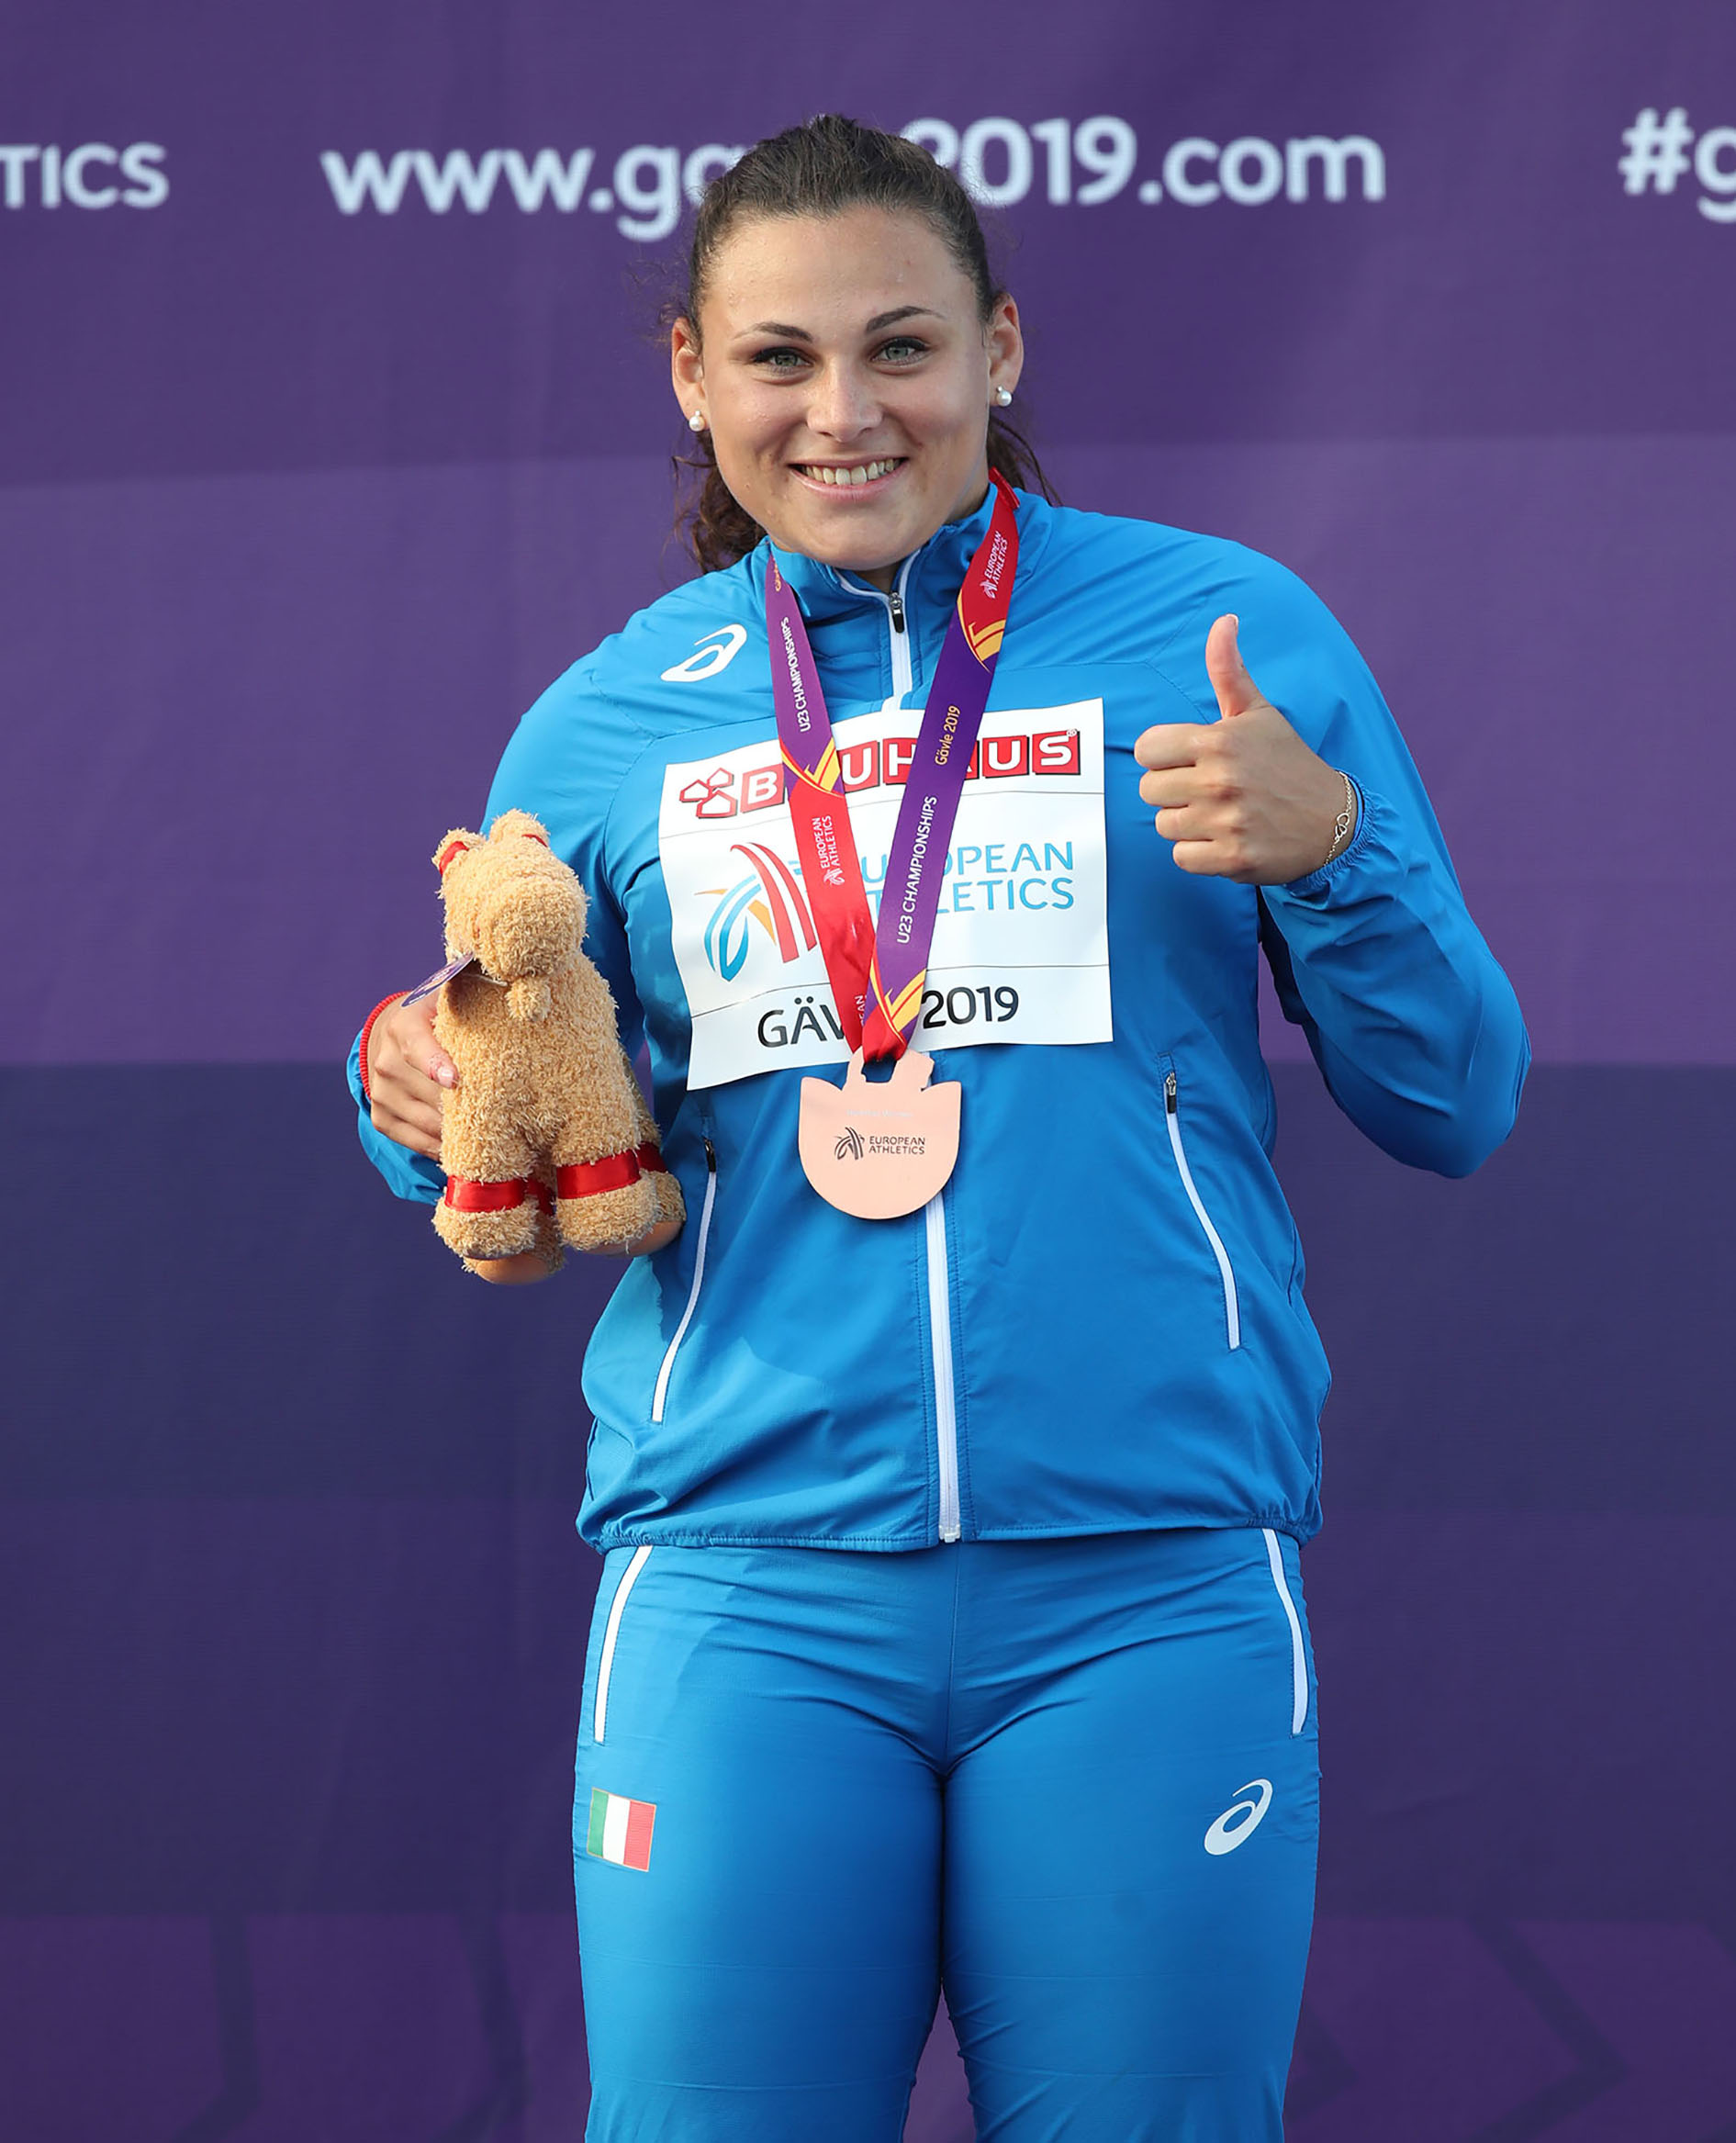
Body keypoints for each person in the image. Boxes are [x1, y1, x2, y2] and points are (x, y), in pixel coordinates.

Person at [351, 114, 1528, 2143]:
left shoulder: (1218, 635)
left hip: (1143, 1577)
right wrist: (415, 1079)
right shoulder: (610, 722)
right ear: (692, 377)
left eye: (899, 346)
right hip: (747, 1583)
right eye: (779, 358)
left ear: (999, 348)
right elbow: (521, 1102)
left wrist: (1333, 854)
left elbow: (1456, 1099)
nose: (843, 413)